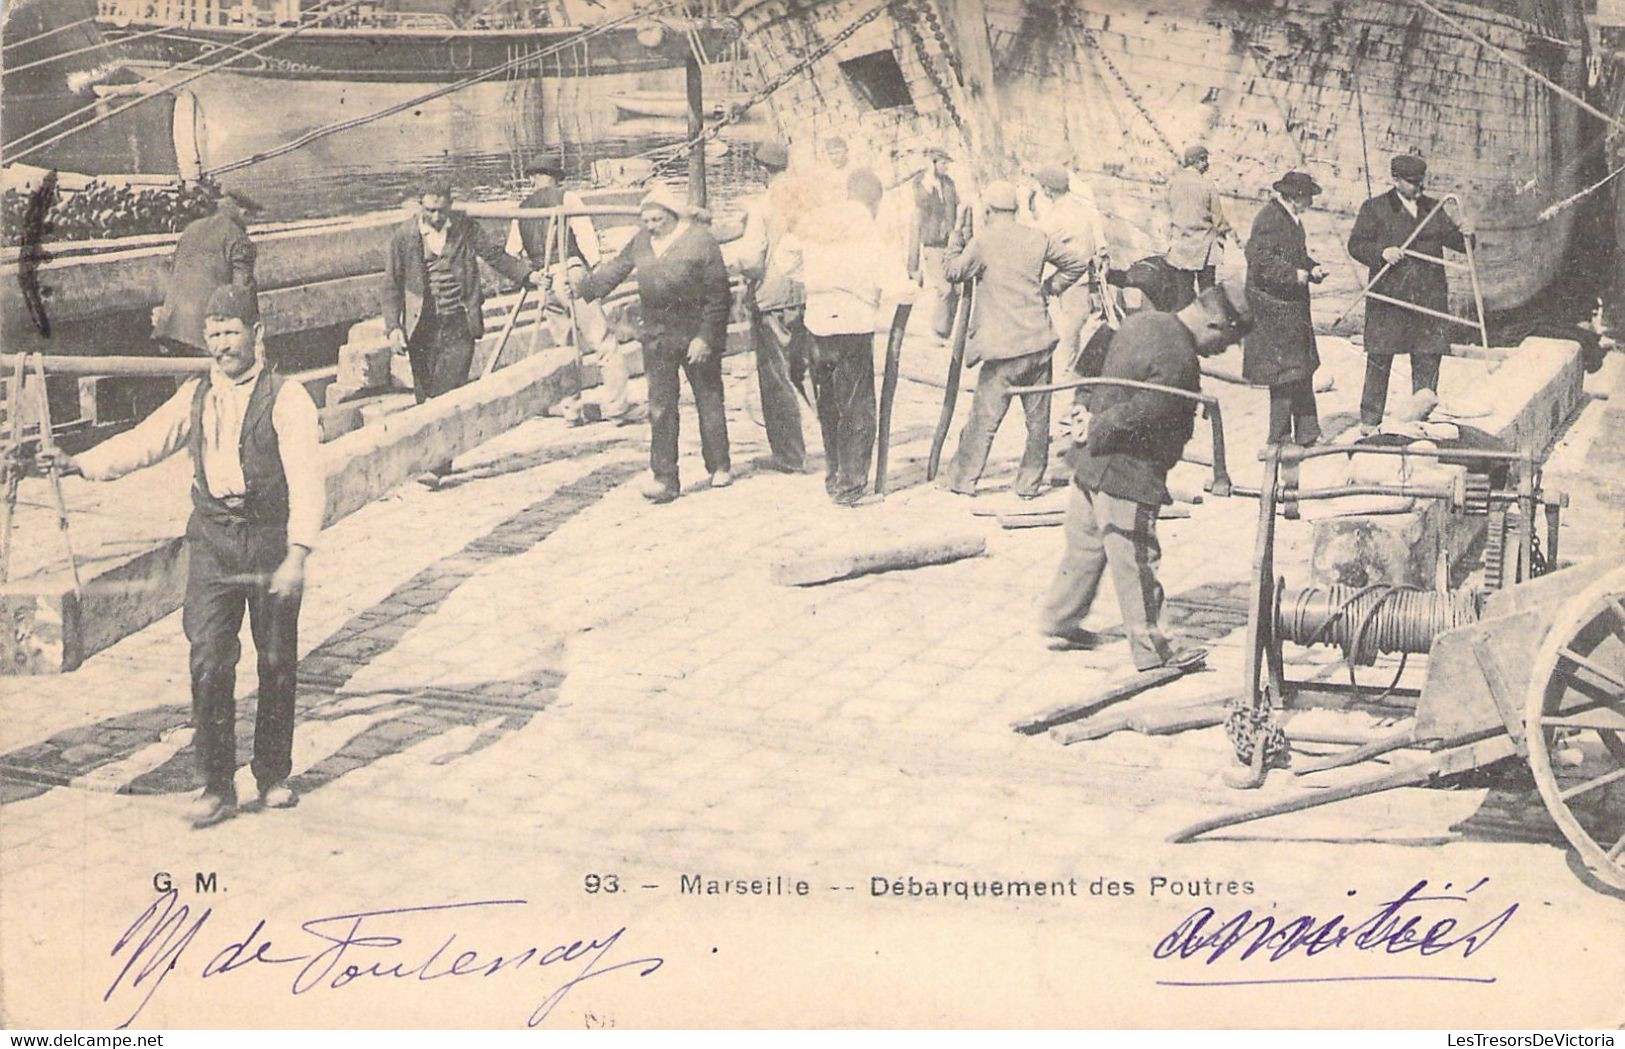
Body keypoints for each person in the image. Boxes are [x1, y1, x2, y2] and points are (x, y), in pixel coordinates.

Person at [40, 286, 323, 829]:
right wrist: (79, 463)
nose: (222, 345)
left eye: (231, 332)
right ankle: (216, 785)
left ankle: (273, 773)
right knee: (210, 659)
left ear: (256, 335)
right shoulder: (197, 396)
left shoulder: (288, 399)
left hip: (268, 540)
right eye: (213, 334)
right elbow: (145, 441)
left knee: (276, 660)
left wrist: (298, 552)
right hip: (213, 542)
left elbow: (309, 481)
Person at [1040, 282, 1252, 671]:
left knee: (1085, 548)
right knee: (1136, 559)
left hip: (1089, 464)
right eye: (1227, 342)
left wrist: (1082, 408)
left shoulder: (1142, 320)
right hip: (1128, 474)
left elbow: (1093, 357)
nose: (1223, 351)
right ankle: (1155, 650)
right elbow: (1149, 409)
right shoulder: (1179, 356)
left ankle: (1060, 619)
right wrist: (1099, 425)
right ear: (1217, 324)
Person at [569, 185, 733, 503]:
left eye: (657, 220)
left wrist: (705, 337)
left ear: (672, 216)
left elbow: (719, 296)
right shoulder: (642, 241)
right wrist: (584, 289)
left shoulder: (701, 241)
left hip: (695, 334)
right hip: (657, 337)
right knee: (660, 407)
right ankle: (665, 478)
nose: (651, 226)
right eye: (647, 220)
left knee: (708, 400)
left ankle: (719, 465)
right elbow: (616, 269)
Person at [381, 178, 538, 486]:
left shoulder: (465, 229)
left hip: (459, 322)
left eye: (441, 210)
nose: (436, 217)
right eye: (429, 210)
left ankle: (436, 465)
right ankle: (442, 457)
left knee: (447, 392)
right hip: (421, 327)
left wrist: (527, 276)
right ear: (420, 206)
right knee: (425, 394)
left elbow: (494, 255)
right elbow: (391, 286)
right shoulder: (404, 237)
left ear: (450, 206)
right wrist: (393, 328)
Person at [942, 179, 1089, 499]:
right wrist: (1051, 287)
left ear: (989, 210)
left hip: (1003, 349)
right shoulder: (1036, 237)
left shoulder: (983, 241)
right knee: (1038, 423)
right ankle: (1028, 484)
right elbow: (1078, 263)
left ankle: (962, 479)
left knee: (984, 417)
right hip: (1039, 343)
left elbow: (952, 271)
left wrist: (956, 235)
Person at [782, 168, 914, 506]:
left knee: (829, 405)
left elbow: (786, 260)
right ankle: (851, 485)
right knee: (857, 406)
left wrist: (813, 278)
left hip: (817, 322)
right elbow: (898, 285)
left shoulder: (821, 222)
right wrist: (909, 288)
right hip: (852, 325)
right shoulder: (870, 231)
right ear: (875, 201)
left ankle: (834, 475)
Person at [1347, 153, 1473, 433]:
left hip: (1427, 297)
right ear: (1396, 180)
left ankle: (1420, 419)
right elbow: (1356, 245)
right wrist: (1381, 253)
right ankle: (1370, 422)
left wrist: (1466, 234)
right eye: (1413, 182)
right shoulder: (1375, 208)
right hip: (1390, 298)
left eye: (1421, 182)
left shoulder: (1432, 208)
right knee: (1380, 358)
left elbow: (1458, 243)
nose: (1419, 188)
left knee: (1428, 356)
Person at [735, 140, 811, 473]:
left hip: (772, 299)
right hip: (807, 296)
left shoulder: (762, 207)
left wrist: (741, 269)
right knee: (806, 371)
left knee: (776, 377)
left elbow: (752, 260)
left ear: (762, 170)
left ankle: (789, 455)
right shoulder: (807, 201)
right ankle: (839, 444)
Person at [1243, 170, 1327, 446]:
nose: (1311, 203)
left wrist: (1312, 267)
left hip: (1290, 307)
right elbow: (1259, 259)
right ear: (1294, 197)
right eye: (1308, 198)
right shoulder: (1269, 218)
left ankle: (1307, 432)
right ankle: (1278, 438)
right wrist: (1294, 275)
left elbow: (1296, 255)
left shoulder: (1291, 219)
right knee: (1283, 375)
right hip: (1274, 309)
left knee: (1301, 368)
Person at [153, 187, 259, 355]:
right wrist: (253, 337)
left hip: (170, 327)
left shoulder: (191, 228)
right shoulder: (239, 239)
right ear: (243, 212)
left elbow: (173, 270)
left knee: (185, 380)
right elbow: (242, 291)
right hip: (204, 334)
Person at [1030, 163, 1109, 370]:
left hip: (1073, 281)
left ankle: (1065, 379)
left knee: (1068, 333)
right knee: (1078, 331)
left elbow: (1034, 239)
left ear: (1048, 189)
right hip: (1088, 279)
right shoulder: (1082, 207)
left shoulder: (1059, 215)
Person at [1165, 145, 1233, 310]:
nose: (1207, 164)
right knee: (1208, 294)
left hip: (1181, 247)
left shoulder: (1173, 183)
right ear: (1199, 161)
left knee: (1183, 295)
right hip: (1205, 249)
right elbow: (1218, 220)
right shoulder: (1207, 185)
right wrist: (1226, 230)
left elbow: (1168, 212)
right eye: (1205, 160)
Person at [906, 146, 961, 339]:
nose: (946, 167)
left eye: (947, 163)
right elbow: (920, 201)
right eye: (943, 163)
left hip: (950, 244)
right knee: (944, 289)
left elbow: (956, 208)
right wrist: (929, 177)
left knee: (956, 290)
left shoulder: (949, 184)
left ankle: (945, 332)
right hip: (933, 245)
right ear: (933, 163)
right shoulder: (922, 182)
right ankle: (937, 332)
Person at [513, 159, 586, 268]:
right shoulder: (568, 197)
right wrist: (595, 266)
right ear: (556, 178)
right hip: (568, 266)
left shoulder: (522, 207)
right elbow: (586, 236)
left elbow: (512, 250)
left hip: (540, 271)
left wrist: (527, 276)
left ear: (532, 179)